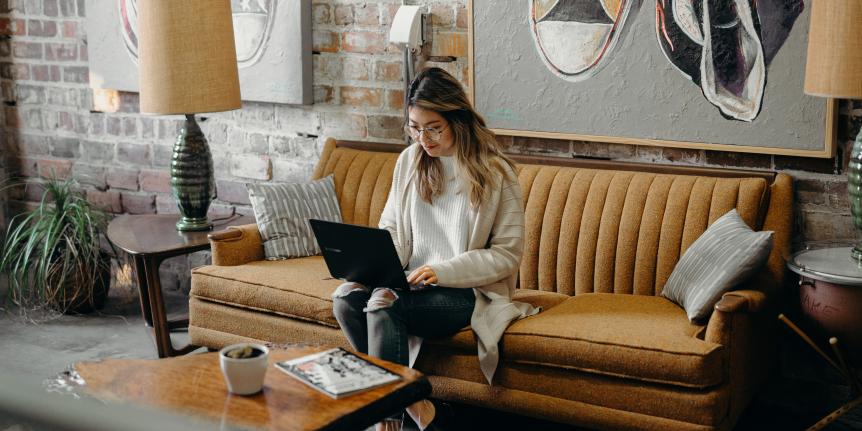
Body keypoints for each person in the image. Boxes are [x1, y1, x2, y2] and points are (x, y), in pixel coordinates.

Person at [331, 67, 540, 431]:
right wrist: (375, 267)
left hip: (466, 292)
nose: (422, 138)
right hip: (411, 283)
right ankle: (418, 406)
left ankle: (386, 421)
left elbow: (507, 254)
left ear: (456, 119)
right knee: (346, 297)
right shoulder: (410, 162)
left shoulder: (496, 173)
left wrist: (443, 271)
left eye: (433, 128)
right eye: (414, 127)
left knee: (383, 304)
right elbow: (391, 229)